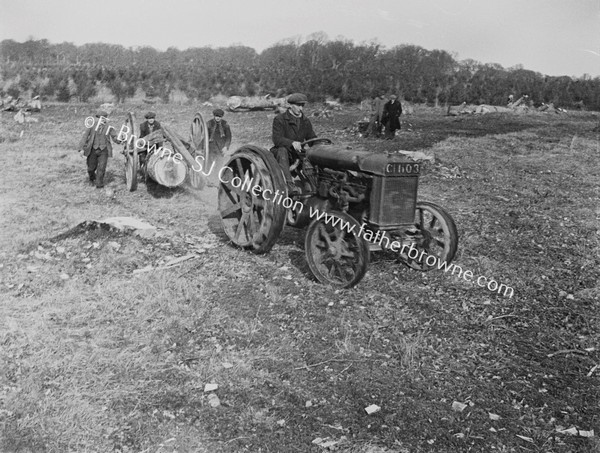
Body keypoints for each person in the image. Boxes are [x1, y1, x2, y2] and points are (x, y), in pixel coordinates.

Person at [271, 93, 317, 193]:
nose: (301, 108)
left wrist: (320, 147)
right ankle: (289, 185)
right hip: (281, 153)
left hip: (296, 153)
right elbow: (277, 139)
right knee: (282, 150)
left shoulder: (305, 121)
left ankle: (313, 182)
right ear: (290, 105)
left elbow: (312, 138)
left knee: (312, 154)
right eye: (298, 105)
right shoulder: (280, 119)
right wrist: (292, 142)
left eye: (302, 105)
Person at [78, 109, 124, 188]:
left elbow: (114, 137)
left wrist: (119, 140)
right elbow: (85, 137)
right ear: (97, 118)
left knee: (102, 167)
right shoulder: (91, 126)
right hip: (92, 149)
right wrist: (81, 149)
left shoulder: (109, 127)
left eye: (103, 118)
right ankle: (92, 178)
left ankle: (99, 184)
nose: (101, 120)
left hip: (104, 150)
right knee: (91, 168)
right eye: (99, 118)